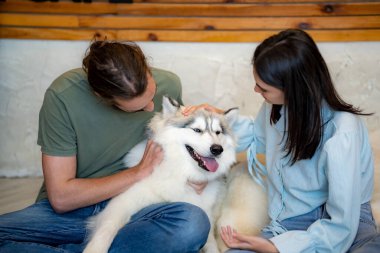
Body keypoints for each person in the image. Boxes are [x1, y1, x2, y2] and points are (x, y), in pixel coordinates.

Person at [0, 40, 210, 253]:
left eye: (150, 95)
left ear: (146, 68)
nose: (151, 107)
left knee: (192, 223)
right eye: (136, 110)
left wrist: (196, 173)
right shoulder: (62, 96)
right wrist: (138, 172)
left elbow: (180, 145)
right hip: (72, 213)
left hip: (138, 207)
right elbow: (61, 198)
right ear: (101, 97)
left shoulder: (170, 84)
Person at [183, 29, 380, 252]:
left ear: (294, 89)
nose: (255, 90)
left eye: (264, 87)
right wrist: (219, 120)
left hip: (349, 225)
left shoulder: (343, 132)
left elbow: (342, 225)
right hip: (292, 219)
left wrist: (277, 248)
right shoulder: (274, 108)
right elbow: (256, 135)